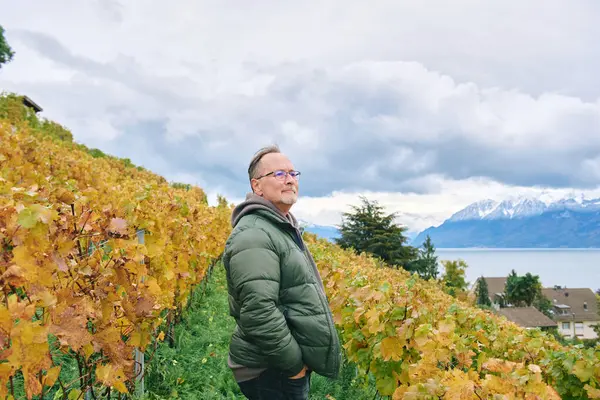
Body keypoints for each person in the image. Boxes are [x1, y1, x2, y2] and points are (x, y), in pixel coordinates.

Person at [222, 145, 342, 399]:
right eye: (278, 174)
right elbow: (258, 311)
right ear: (257, 186)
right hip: (271, 368)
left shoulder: (278, 225)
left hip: (276, 363)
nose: (289, 179)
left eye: (293, 173)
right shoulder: (255, 234)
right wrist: (295, 365)